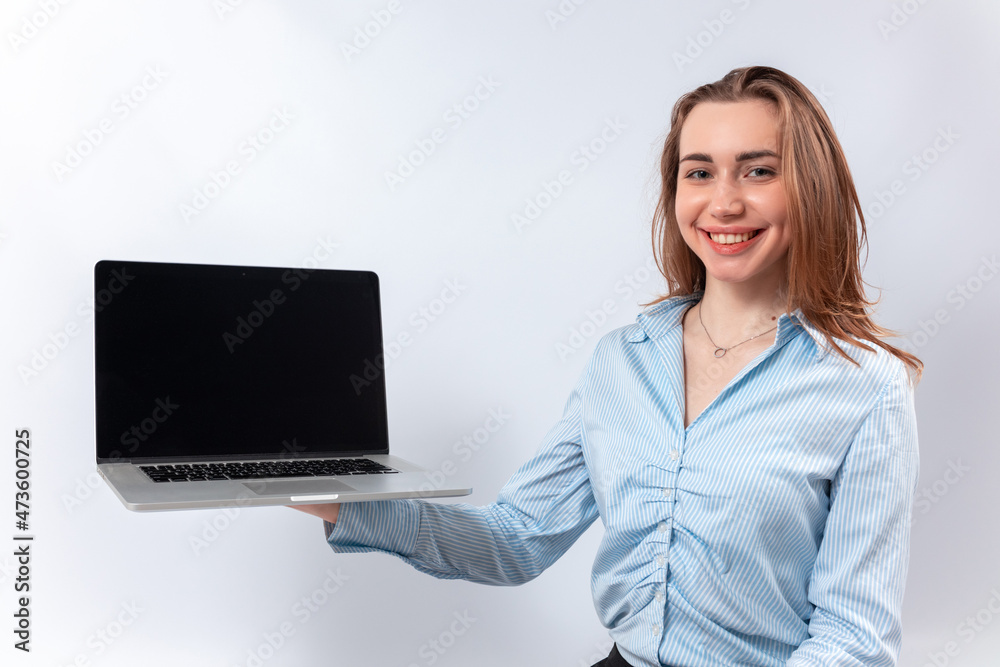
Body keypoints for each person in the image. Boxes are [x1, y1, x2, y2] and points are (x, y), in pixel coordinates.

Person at [292, 66, 922, 667]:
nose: (724, 202)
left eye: (759, 170)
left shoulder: (865, 385)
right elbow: (516, 538)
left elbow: (853, 638)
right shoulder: (620, 361)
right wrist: (317, 489)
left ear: (810, 188)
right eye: (699, 172)